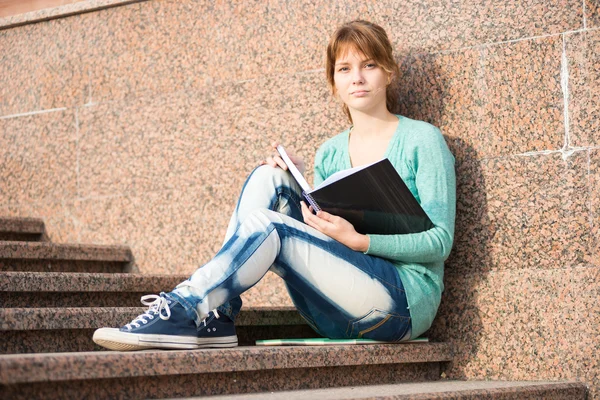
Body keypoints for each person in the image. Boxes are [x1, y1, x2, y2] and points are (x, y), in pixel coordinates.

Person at [92, 20, 456, 351]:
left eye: (369, 65)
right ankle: (220, 315)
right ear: (334, 82)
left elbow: (440, 242)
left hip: (400, 306)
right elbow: (328, 245)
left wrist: (359, 241)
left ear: (389, 71)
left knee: (272, 226)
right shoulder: (330, 153)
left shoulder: (422, 140)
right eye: (345, 69)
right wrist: (303, 186)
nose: (357, 77)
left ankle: (186, 305)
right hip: (332, 309)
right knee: (272, 176)